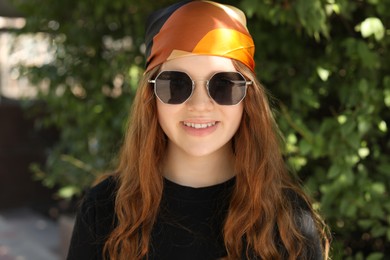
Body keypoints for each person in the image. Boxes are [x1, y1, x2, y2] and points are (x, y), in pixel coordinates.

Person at [67, 1, 330, 259]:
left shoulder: (288, 221)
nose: (200, 105)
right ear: (151, 96)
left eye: (223, 84)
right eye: (177, 84)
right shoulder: (104, 211)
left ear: (248, 98)